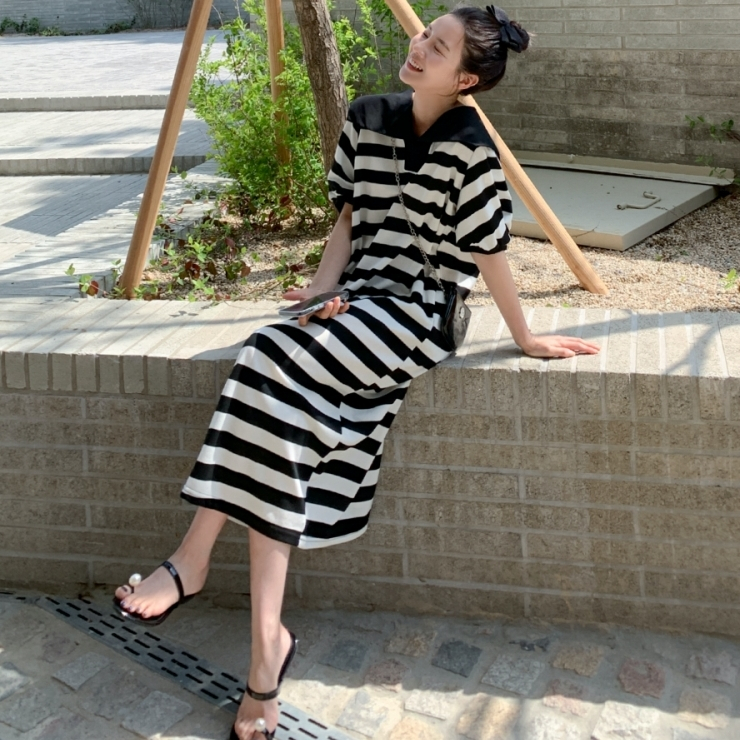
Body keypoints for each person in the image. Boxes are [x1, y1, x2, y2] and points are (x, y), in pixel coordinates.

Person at [113, 5, 600, 739]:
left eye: (438, 47)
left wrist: (525, 336)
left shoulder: (472, 149)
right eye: (425, 34)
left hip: (419, 312)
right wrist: (320, 290)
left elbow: (490, 252)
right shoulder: (368, 116)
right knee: (270, 365)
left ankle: (196, 565)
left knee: (269, 362)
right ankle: (263, 643)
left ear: (465, 79)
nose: (419, 46)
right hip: (357, 296)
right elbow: (347, 219)